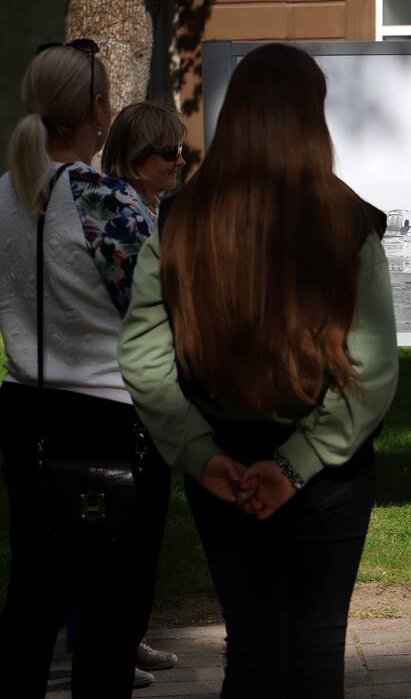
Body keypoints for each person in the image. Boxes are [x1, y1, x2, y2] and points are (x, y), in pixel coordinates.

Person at [118, 43, 399, 699]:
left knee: (251, 647)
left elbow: (143, 356)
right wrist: (295, 463)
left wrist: (201, 455)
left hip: (228, 464)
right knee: (314, 651)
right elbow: (375, 369)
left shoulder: (179, 220)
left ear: (233, 116)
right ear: (313, 118)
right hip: (324, 466)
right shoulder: (350, 221)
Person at [0, 40, 168, 698]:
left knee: (32, 600)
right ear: (99, 109)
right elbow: (160, 312)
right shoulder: (106, 201)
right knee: (108, 616)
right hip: (111, 421)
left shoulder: (2, 197)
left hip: (25, 414)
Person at [100, 100, 187, 686]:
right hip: (126, 389)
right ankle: (112, 646)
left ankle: (125, 638)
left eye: (181, 149)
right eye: (167, 152)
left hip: (146, 385)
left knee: (141, 529)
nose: (179, 160)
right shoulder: (124, 213)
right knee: (126, 531)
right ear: (135, 158)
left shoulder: (148, 210)